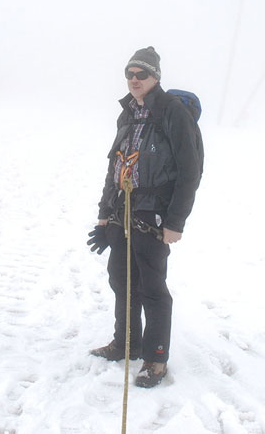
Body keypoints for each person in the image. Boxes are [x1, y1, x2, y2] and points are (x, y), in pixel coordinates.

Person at [88, 46, 202, 388]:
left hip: (153, 215)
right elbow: (115, 165)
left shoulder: (172, 113)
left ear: (156, 77)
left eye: (142, 74)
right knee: (121, 280)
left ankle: (155, 358)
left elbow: (190, 171)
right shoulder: (128, 114)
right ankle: (126, 343)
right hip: (122, 210)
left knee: (152, 287)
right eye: (130, 74)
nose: (134, 80)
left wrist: (175, 222)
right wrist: (105, 214)